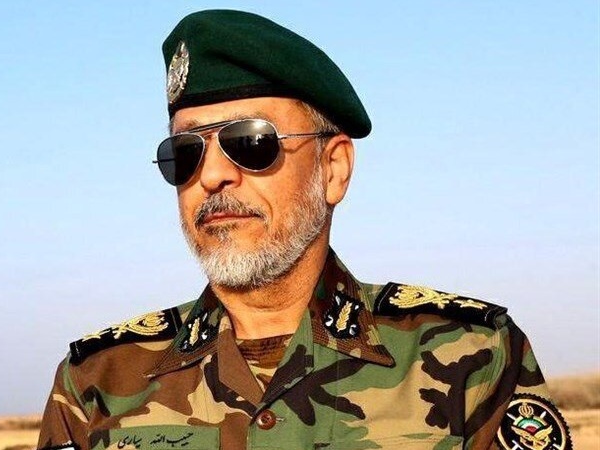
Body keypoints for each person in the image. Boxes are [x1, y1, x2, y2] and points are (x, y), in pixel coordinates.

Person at [37, 9, 570, 450]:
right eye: (185, 152)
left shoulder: (471, 355)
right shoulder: (96, 384)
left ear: (332, 169)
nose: (213, 175)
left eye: (250, 142)